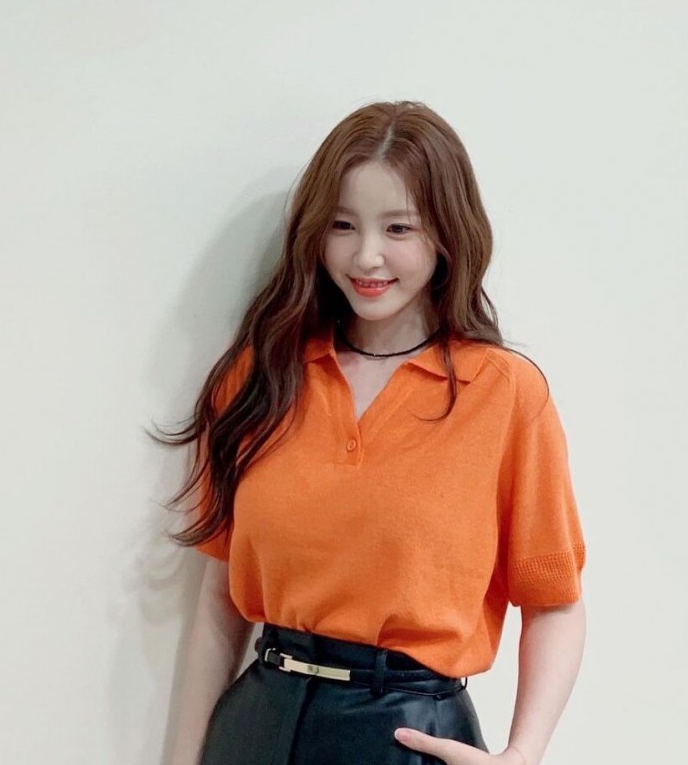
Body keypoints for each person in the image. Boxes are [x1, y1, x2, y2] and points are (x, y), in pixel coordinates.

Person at [159, 100, 587, 765]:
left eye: (398, 228)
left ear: (446, 234)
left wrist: (521, 754)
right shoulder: (261, 376)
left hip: (406, 736)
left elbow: (553, 603)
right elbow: (221, 600)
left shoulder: (503, 393)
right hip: (258, 728)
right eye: (342, 225)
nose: (366, 255)